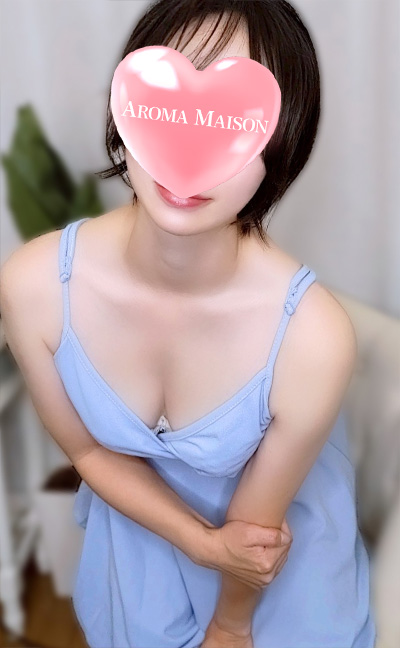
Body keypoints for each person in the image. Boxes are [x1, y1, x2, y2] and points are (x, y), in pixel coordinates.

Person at [0, 1, 377, 647]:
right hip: (139, 557)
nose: (191, 152)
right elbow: (88, 451)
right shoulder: (34, 285)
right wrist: (198, 542)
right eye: (169, 104)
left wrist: (229, 627)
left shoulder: (313, 338)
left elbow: (253, 542)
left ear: (285, 140)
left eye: (233, 121)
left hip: (272, 584)